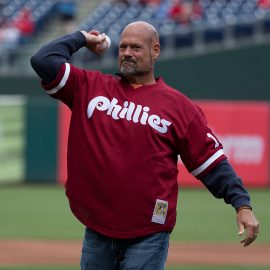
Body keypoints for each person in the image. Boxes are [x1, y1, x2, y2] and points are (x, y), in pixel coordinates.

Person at [30, 21, 259, 270]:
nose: (127, 52)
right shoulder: (89, 87)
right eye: (123, 46)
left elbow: (212, 163)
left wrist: (242, 204)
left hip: (149, 232)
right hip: (98, 229)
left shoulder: (179, 107)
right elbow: (43, 60)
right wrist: (83, 38)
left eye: (136, 47)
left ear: (156, 51)